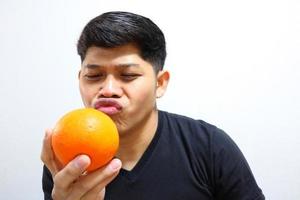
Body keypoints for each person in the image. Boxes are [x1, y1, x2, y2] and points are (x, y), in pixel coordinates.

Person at [41, 11, 265, 200]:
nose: (108, 89)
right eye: (94, 75)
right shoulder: (68, 159)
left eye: (127, 75)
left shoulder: (209, 147)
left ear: (160, 83)